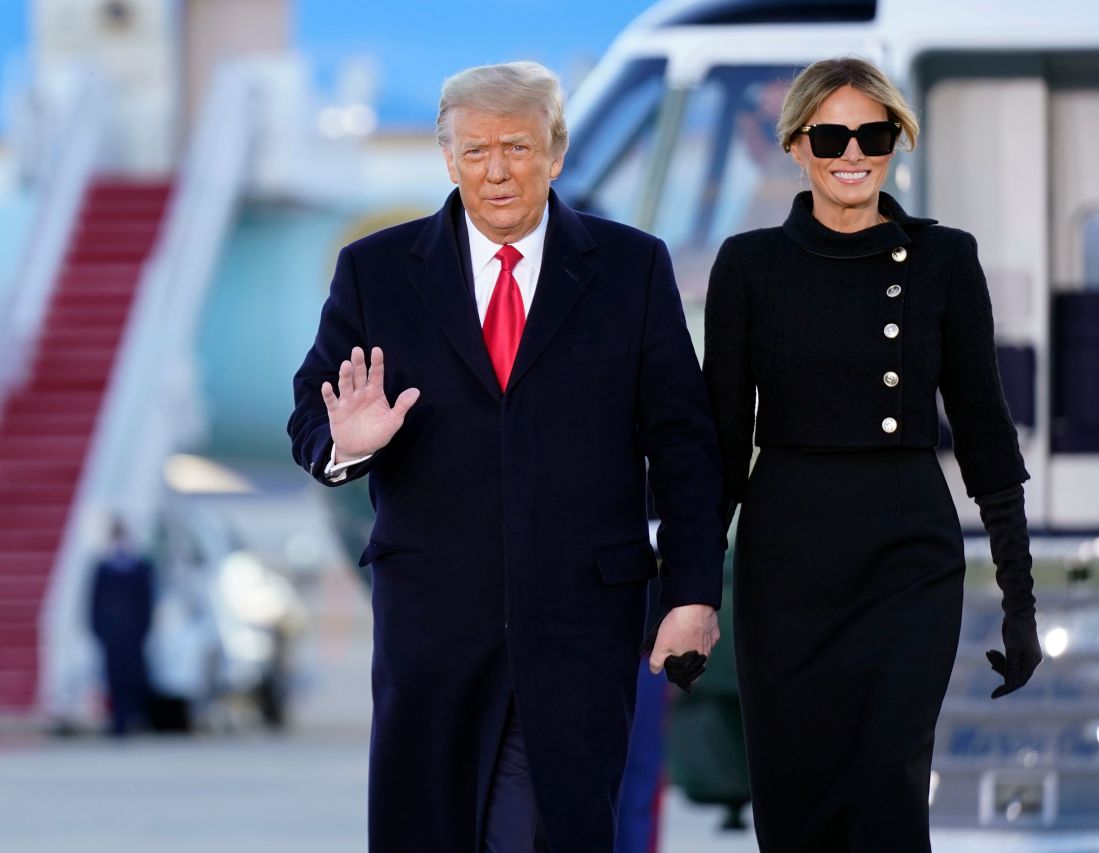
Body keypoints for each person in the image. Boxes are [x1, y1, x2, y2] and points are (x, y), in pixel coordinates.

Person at [287, 61, 724, 852]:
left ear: (556, 153)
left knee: (545, 828)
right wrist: (345, 447)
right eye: (475, 151)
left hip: (581, 624)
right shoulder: (376, 272)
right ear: (448, 160)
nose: (496, 171)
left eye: (518, 148)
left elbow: (684, 444)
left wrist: (693, 591)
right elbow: (310, 418)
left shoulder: (632, 268)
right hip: (434, 625)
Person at [702, 57, 1043, 852]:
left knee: (886, 794)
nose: (853, 152)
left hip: (906, 554)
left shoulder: (944, 259)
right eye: (831, 134)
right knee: (794, 806)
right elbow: (721, 447)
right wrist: (686, 596)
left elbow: (987, 436)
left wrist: (1020, 602)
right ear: (795, 144)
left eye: (874, 132)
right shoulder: (748, 266)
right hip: (786, 558)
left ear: (897, 140)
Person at [89, 518, 155, 737]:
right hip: (112, 633)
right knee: (113, 677)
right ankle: (118, 720)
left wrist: (144, 629)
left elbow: (147, 602)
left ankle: (133, 717)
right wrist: (98, 629)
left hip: (134, 632)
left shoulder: (140, 567)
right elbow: (94, 603)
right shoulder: (103, 568)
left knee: (134, 676)